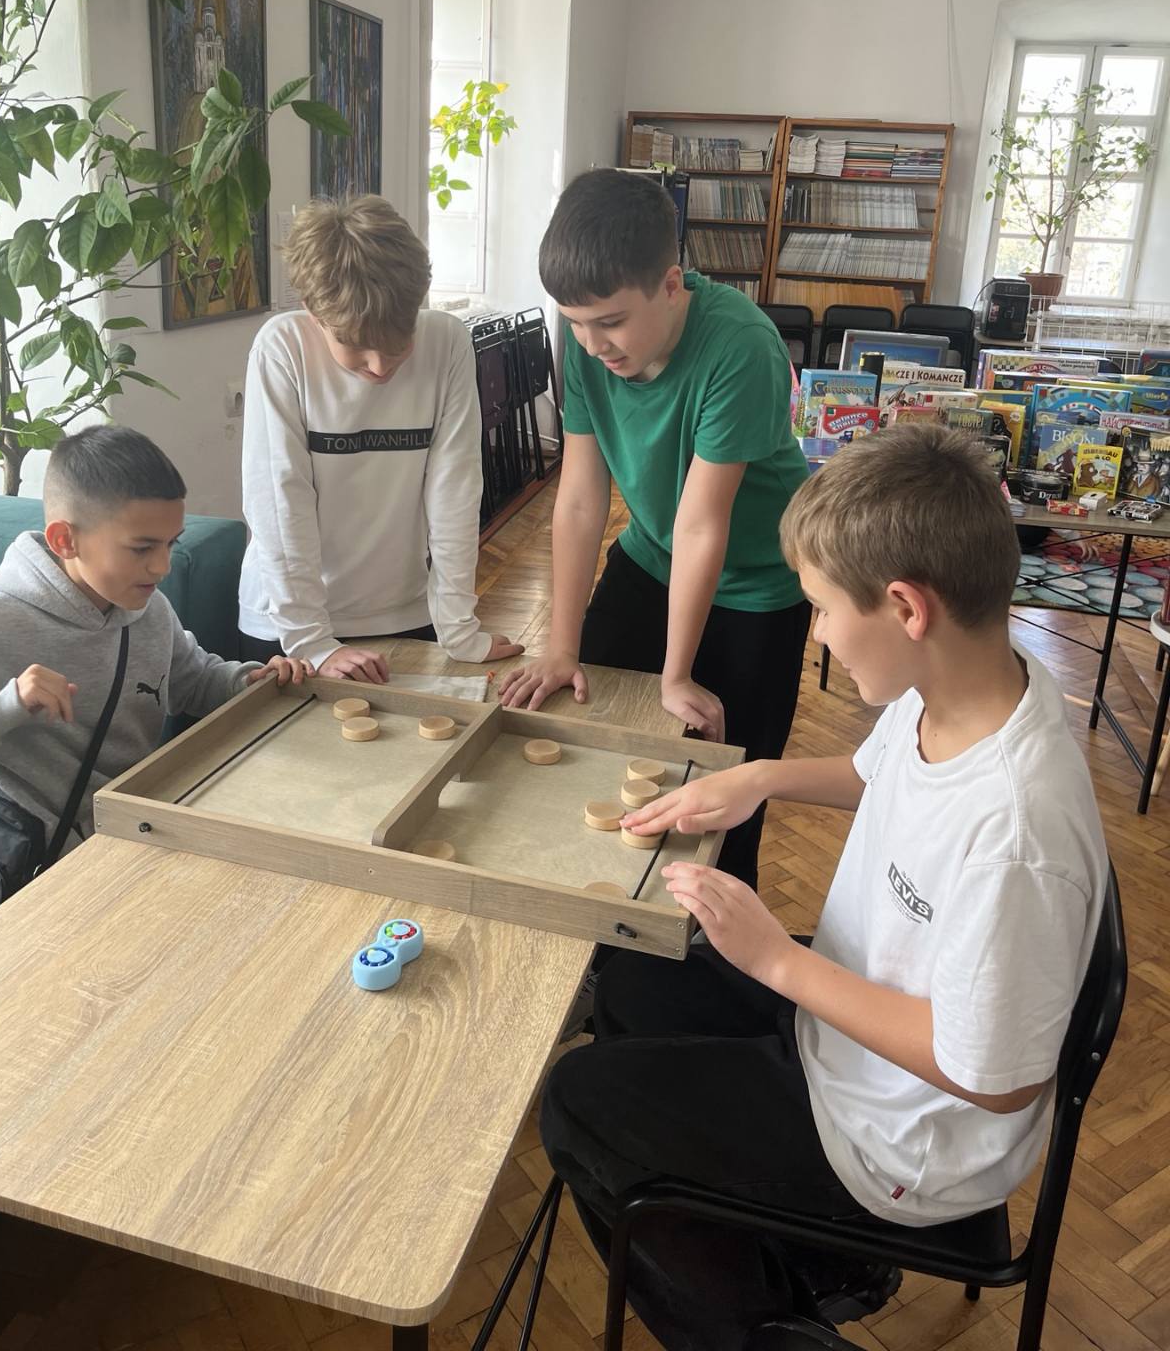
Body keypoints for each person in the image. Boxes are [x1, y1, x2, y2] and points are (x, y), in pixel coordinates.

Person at [540, 425, 1109, 1349]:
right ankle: (790, 1249)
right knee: (635, 974)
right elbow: (877, 775)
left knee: (576, 1104)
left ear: (905, 608)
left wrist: (775, 962)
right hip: (844, 1033)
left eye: (822, 609)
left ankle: (775, 1318)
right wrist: (758, 778)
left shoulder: (1017, 831)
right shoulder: (959, 684)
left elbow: (995, 1078)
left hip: (898, 1144)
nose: (819, 635)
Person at [500, 169, 810, 887]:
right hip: (652, 556)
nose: (592, 343)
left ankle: (708, 941)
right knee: (592, 736)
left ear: (671, 285)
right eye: (575, 322)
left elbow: (704, 525)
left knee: (724, 798)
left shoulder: (741, 345)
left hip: (757, 585)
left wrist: (676, 673)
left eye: (610, 322)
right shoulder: (587, 341)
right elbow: (580, 501)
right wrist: (561, 647)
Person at [0, 425, 307, 851]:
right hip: (36, 863)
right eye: (142, 548)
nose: (163, 566)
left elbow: (195, 681)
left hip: (137, 832)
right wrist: (7, 705)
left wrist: (254, 682)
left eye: (171, 544)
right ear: (65, 540)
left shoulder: (150, 609)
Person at [238, 195, 520, 680]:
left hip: (403, 611)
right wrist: (313, 642)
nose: (379, 366)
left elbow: (455, 490)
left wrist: (458, 626)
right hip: (287, 624)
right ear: (313, 312)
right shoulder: (282, 348)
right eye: (355, 346)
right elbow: (279, 501)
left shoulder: (447, 342)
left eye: (398, 343)